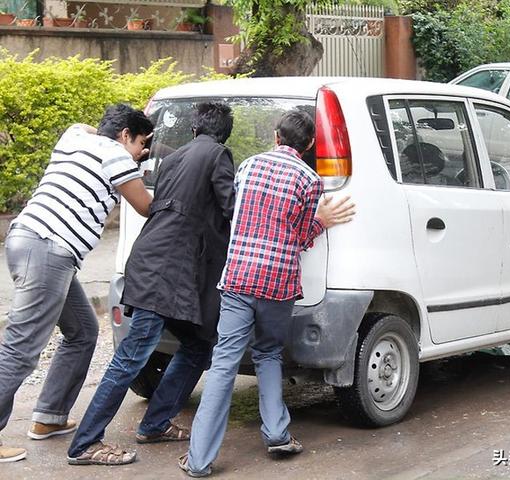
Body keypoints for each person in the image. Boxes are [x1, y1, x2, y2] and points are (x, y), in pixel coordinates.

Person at [180, 109, 356, 477]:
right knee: (269, 352)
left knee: (224, 362)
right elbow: (303, 237)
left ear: (276, 136)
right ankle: (277, 434)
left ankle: (198, 460)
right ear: (308, 145)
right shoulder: (310, 181)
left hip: (240, 277)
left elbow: (235, 211)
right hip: (278, 284)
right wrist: (323, 220)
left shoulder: (248, 167)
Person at [67, 102, 236, 466]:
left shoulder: (176, 159)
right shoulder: (218, 155)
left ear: (193, 130)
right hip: (165, 271)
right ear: (225, 134)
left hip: (156, 262)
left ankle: (156, 423)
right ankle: (85, 444)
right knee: (130, 358)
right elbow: (231, 207)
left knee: (198, 343)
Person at [0, 104, 154, 463]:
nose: (142, 152)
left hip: (29, 239)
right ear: (124, 136)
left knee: (83, 331)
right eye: (141, 143)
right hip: (48, 249)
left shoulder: (74, 138)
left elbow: (86, 126)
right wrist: (140, 162)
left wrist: (133, 124)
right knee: (21, 348)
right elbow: (146, 205)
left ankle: (49, 417)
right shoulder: (116, 154)